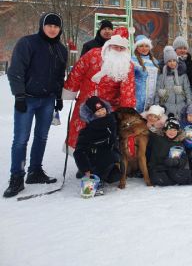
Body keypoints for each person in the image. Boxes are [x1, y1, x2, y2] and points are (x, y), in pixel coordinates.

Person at [4, 12, 68, 198]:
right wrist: (19, 96)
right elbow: (15, 71)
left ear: (60, 29)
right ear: (42, 25)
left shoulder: (61, 50)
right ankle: (17, 177)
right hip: (28, 99)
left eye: (56, 26)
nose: (52, 29)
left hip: (47, 100)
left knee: (41, 137)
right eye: (49, 25)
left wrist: (58, 97)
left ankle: (35, 172)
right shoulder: (28, 43)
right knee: (21, 139)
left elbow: (58, 77)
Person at [62, 27, 136, 150]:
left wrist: (126, 112)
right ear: (109, 45)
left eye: (121, 47)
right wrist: (70, 91)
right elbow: (77, 72)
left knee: (104, 138)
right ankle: (83, 164)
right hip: (86, 104)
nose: (118, 49)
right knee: (81, 135)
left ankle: (101, 164)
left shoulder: (127, 65)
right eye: (115, 46)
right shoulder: (93, 54)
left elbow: (128, 91)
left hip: (108, 109)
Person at [73, 96, 121, 195]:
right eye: (97, 112)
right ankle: (91, 183)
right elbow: (78, 152)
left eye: (103, 109)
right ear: (91, 115)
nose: (102, 113)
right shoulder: (87, 131)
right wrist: (86, 169)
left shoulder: (112, 121)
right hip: (93, 161)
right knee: (107, 157)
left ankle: (103, 176)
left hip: (110, 156)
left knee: (115, 176)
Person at [147, 115, 192, 187]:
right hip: (158, 168)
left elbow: (183, 159)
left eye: (175, 130)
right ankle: (178, 179)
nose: (172, 132)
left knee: (176, 174)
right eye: (170, 129)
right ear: (165, 130)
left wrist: (176, 161)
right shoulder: (157, 139)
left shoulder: (179, 143)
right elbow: (147, 133)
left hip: (173, 168)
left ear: (178, 131)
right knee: (159, 180)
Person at [155, 46, 192, 117]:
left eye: (174, 60)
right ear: (166, 63)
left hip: (181, 106)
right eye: (169, 61)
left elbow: (187, 89)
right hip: (167, 108)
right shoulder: (162, 76)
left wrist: (189, 104)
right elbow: (157, 91)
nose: (172, 63)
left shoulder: (182, 75)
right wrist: (156, 106)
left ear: (176, 61)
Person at [132, 35, 161, 113]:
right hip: (138, 98)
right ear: (136, 48)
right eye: (141, 46)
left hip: (153, 98)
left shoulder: (155, 61)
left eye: (146, 46)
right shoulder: (132, 61)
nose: (144, 48)